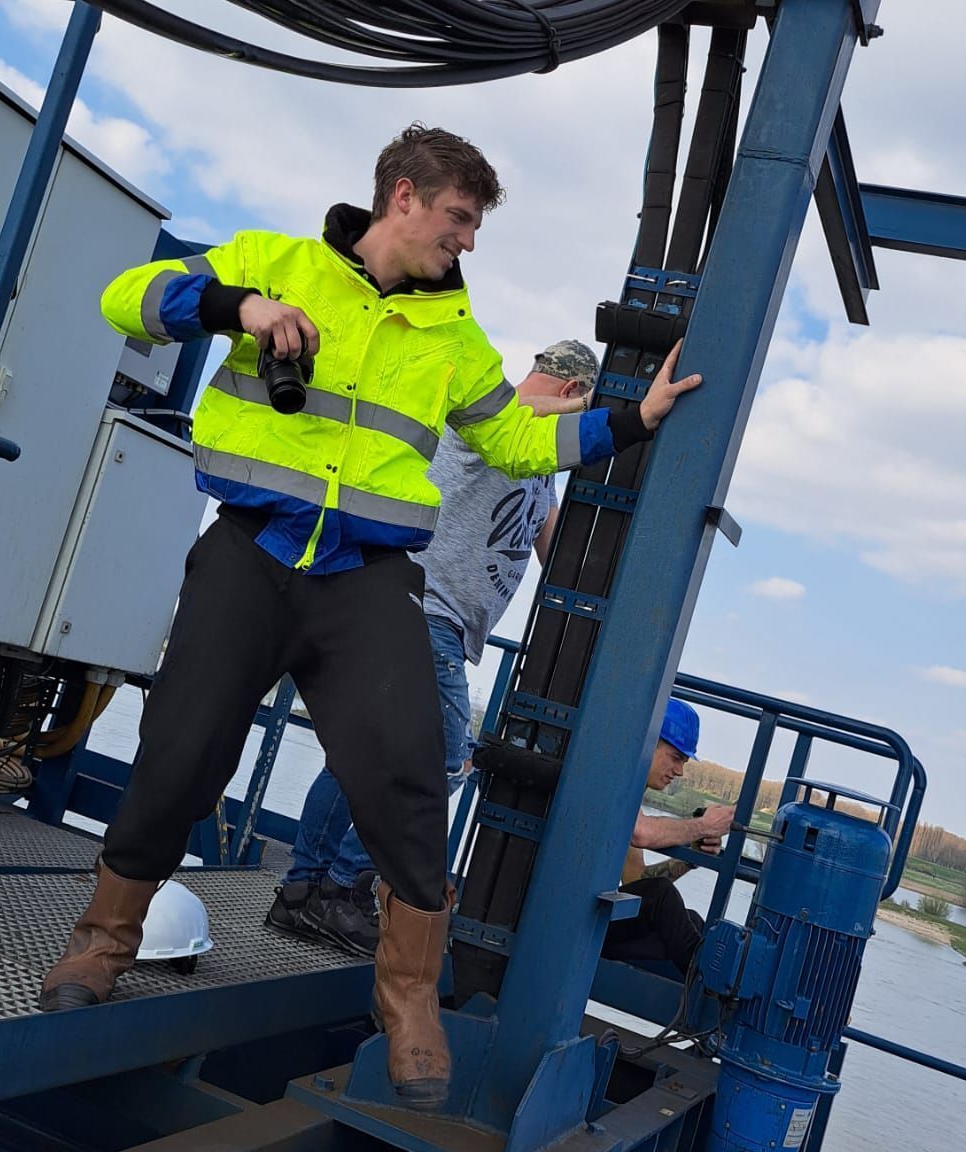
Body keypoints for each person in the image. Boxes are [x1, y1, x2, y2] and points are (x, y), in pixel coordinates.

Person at [36, 123, 701, 1110]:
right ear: (402, 197)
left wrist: (629, 422)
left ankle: (407, 1000)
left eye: (474, 226)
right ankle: (100, 944)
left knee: (408, 773)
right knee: (180, 752)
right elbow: (126, 297)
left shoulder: (454, 340)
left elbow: (518, 443)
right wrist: (242, 305)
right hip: (251, 552)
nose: (467, 242)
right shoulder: (279, 261)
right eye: (458, 219)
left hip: (371, 577)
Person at [268, 340, 599, 958]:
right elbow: (523, 407)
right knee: (442, 760)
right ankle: (345, 887)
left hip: (441, 621)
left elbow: (553, 551)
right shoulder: (495, 416)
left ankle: (299, 895)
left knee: (354, 756)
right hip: (426, 609)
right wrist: (592, 416)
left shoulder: (539, 464)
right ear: (569, 392)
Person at [602, 699, 735, 978]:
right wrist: (704, 826)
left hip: (593, 916)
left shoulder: (630, 794)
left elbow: (636, 881)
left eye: (684, 762)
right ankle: (707, 980)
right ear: (648, 741)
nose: (680, 772)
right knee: (662, 895)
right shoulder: (611, 777)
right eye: (675, 757)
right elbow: (641, 832)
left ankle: (718, 976)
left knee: (693, 921)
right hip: (565, 915)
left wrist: (687, 860)